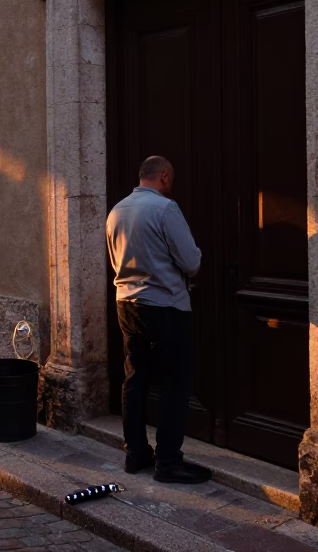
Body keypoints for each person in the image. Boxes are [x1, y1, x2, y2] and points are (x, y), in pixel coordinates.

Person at [105, 155, 211, 484]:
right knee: (174, 384)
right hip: (164, 306)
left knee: (135, 378)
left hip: (127, 303)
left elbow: (113, 259)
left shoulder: (116, 211)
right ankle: (168, 461)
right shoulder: (165, 209)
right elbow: (191, 261)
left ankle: (135, 453)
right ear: (164, 176)